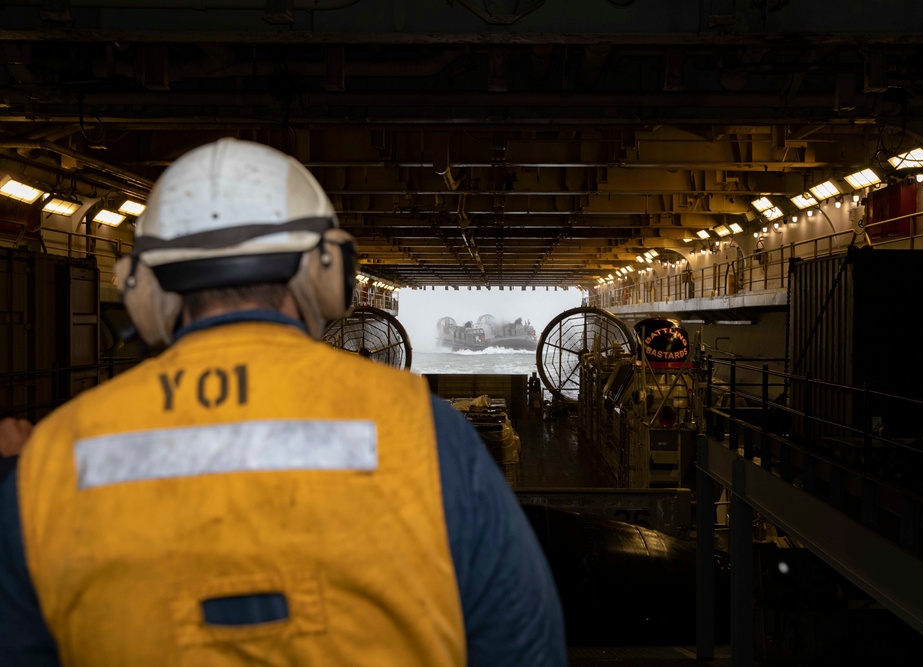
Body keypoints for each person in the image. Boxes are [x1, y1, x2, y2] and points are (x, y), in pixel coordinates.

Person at [0, 138, 566, 666]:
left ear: (142, 290)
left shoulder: (52, 461)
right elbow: (525, 645)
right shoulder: (423, 431)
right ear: (329, 273)